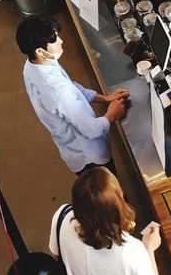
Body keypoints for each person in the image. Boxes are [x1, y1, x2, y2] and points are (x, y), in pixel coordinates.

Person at [17, 16, 127, 173]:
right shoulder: (57, 91)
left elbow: (72, 87)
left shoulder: (34, 64)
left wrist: (104, 98)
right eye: (55, 40)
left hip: (70, 146)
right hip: (89, 157)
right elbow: (91, 130)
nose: (61, 41)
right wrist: (111, 114)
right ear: (40, 51)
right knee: (107, 191)